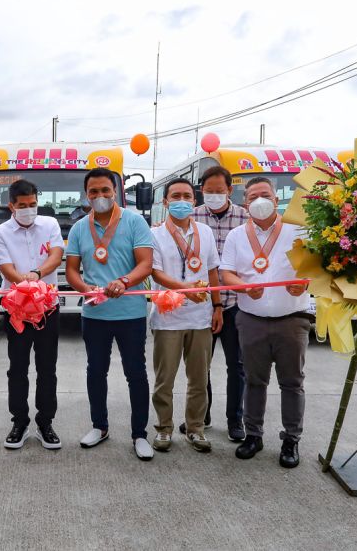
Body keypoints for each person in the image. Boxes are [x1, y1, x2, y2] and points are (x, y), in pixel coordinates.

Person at [65, 168, 155, 461]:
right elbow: (71, 271)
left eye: (105, 190)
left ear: (115, 191)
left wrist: (125, 281)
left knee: (135, 373)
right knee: (96, 371)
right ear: (86, 195)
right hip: (94, 314)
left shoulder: (134, 221)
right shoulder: (80, 227)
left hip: (130, 313)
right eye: (94, 192)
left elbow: (146, 264)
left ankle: (139, 434)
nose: (100, 196)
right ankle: (99, 426)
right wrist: (85, 288)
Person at [219, 176, 310, 468]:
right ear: (245, 203)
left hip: (291, 319)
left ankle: (290, 440)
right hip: (251, 319)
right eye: (253, 196)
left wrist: (305, 283)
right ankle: (253, 435)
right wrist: (242, 287)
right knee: (255, 381)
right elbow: (227, 273)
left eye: (265, 195)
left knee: (292, 383)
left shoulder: (299, 231)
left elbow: (316, 270)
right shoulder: (236, 236)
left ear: (276, 199)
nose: (259, 200)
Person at [0, 179, 65, 450]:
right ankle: (19, 422)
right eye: (22, 206)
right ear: (11, 206)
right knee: (18, 368)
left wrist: (36, 275)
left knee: (47, 368)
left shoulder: (50, 225)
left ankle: (46, 423)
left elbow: (56, 255)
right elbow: (4, 267)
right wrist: (24, 284)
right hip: (17, 311)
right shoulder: (0, 232)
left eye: (33, 204)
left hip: (47, 308)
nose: (28, 210)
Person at [149, 178, 222, 453]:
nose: (182, 201)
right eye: (175, 196)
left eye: (187, 196)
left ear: (195, 200)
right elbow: (155, 272)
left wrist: (217, 306)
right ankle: (164, 429)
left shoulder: (205, 231)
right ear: (166, 202)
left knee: (199, 379)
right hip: (168, 317)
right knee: (164, 379)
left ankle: (196, 428)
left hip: (201, 317)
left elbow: (212, 270)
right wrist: (185, 289)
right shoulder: (154, 234)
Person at [192, 165, 249, 442]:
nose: (214, 195)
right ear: (202, 191)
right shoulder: (192, 217)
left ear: (230, 190)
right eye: (209, 191)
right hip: (201, 303)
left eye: (220, 191)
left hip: (235, 303)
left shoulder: (245, 218)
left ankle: (235, 420)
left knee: (236, 365)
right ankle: (201, 415)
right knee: (200, 365)